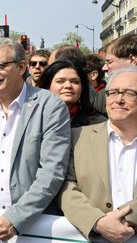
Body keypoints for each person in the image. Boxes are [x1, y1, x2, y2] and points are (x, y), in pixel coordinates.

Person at [0, 38, 71, 241]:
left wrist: (16, 218)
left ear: (21, 67)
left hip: (34, 228)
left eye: (0, 65)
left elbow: (52, 171)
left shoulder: (50, 106)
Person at [59, 65, 137, 242]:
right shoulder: (77, 136)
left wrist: (126, 219)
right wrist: (98, 221)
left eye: (129, 93)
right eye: (113, 92)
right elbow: (65, 187)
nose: (119, 99)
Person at [40, 60, 106, 128]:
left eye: (75, 82)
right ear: (47, 86)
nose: (68, 86)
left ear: (82, 87)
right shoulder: (35, 117)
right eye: (60, 81)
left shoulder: (98, 123)